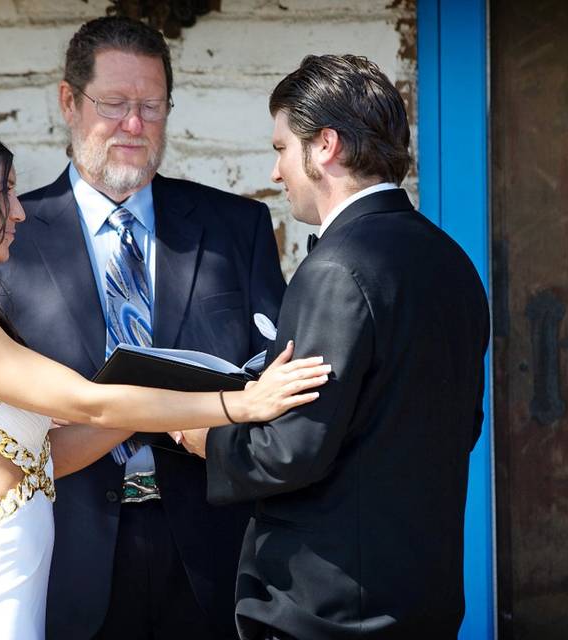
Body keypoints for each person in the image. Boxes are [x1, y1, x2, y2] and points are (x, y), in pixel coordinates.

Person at [0, 122, 328, 639]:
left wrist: (161, 397)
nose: (19, 210)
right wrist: (239, 404)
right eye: (5, 192)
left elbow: (52, 454)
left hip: (10, 575)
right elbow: (91, 404)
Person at [0, 16, 287, 640]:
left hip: (214, 554)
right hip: (67, 557)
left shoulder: (236, 227)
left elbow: (273, 372)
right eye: (115, 104)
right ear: (69, 102)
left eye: (151, 106)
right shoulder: (8, 240)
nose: (134, 125)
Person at [179, 55, 491, 639]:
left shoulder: (336, 270)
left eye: (280, 149)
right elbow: (461, 425)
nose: (276, 173)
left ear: (324, 146)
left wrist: (204, 436)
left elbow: (292, 448)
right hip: (425, 595)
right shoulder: (452, 263)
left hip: (329, 607)